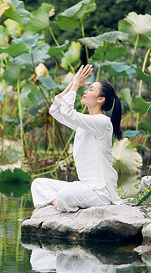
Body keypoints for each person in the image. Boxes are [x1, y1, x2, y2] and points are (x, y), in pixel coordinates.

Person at [31, 64, 123, 212]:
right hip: (84, 187)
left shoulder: (103, 123)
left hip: (100, 194)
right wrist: (73, 83)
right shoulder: (85, 123)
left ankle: (59, 202)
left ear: (100, 99)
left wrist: (75, 85)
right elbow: (55, 110)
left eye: (91, 89)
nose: (85, 91)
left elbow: (68, 113)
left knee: (65, 194)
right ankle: (58, 203)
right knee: (38, 183)